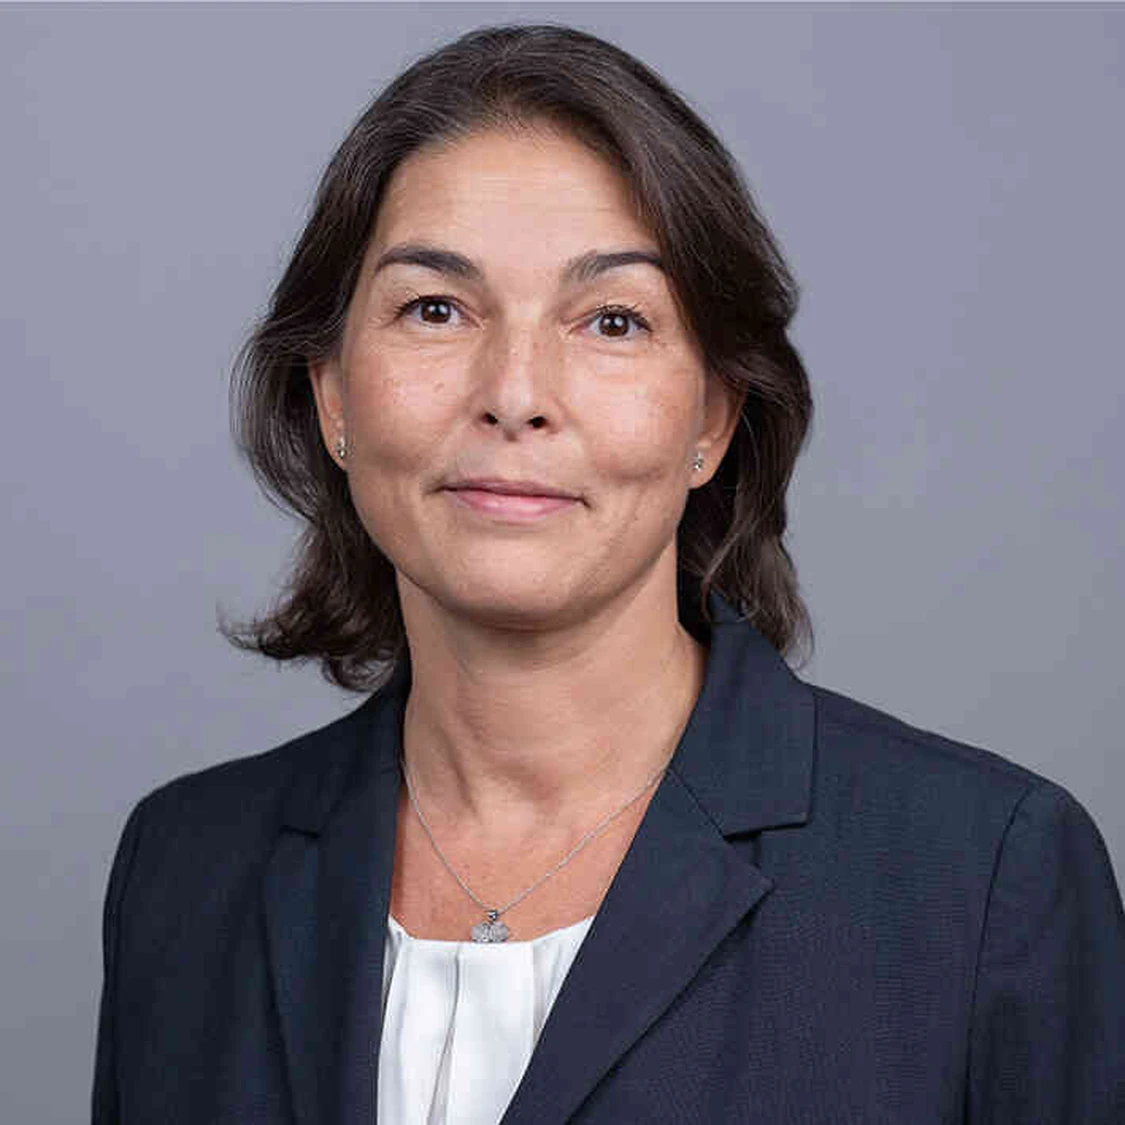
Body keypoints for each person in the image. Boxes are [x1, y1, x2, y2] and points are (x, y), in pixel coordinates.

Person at [91, 22, 1125, 1125]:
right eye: (435, 309)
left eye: (613, 322)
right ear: (333, 393)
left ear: (712, 418)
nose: (515, 394)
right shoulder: (187, 868)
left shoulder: (982, 879)